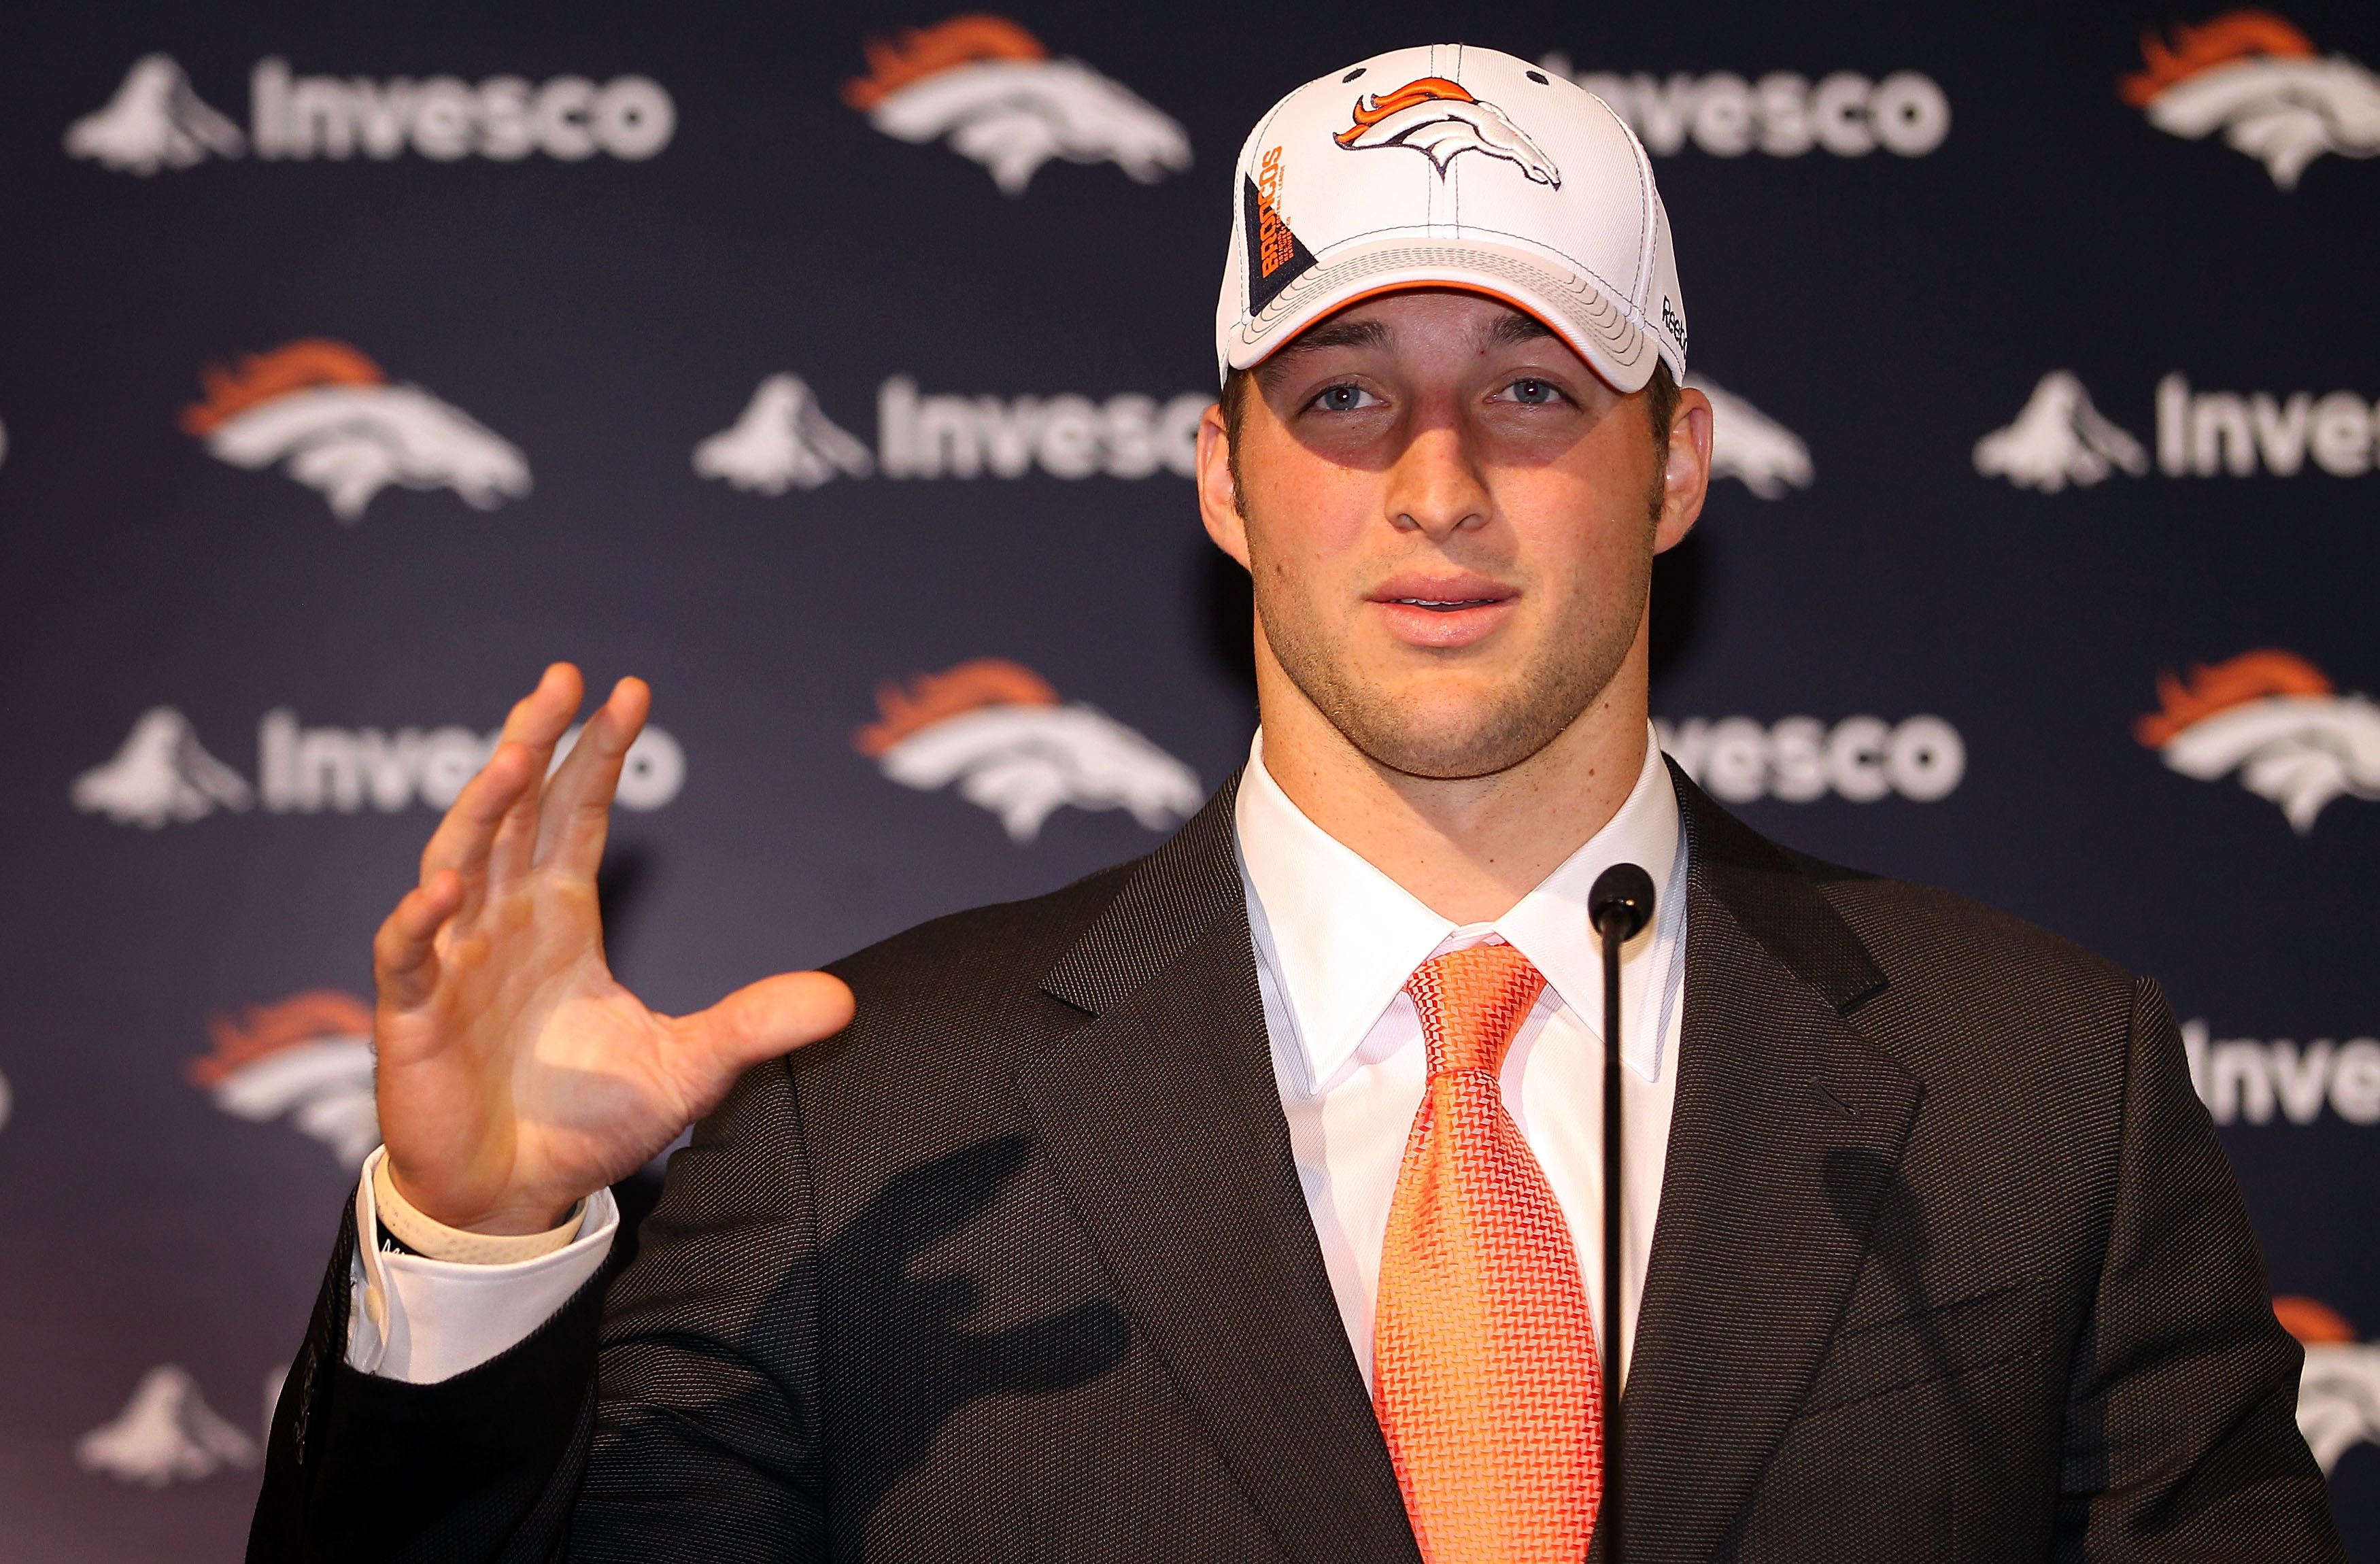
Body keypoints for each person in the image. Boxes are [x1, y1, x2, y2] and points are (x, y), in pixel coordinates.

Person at [249, 44, 2342, 1564]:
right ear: (1224, 478)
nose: (1436, 482)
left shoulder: (2039, 1081)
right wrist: (481, 1250)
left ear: (1677, 465)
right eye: (1342, 396)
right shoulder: (867, 1118)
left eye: (1530, 388)